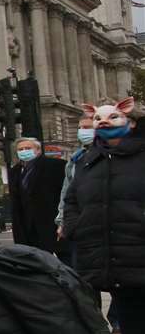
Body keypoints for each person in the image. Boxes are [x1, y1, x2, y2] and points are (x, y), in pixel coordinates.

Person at [63, 98, 145, 334]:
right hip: (105, 245)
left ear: (130, 122)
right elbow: (72, 198)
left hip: (137, 241)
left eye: (112, 118)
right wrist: (76, 226)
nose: (103, 124)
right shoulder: (88, 159)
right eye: (98, 119)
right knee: (126, 306)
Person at [7, 137, 65, 254]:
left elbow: (66, 194)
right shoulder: (14, 171)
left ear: (38, 150)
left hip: (50, 224)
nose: (24, 151)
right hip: (25, 226)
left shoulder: (56, 166)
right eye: (20, 149)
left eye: (27, 148)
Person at [55, 113, 95, 266]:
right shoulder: (75, 159)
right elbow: (66, 192)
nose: (82, 131)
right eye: (79, 128)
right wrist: (62, 221)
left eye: (87, 127)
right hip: (80, 222)